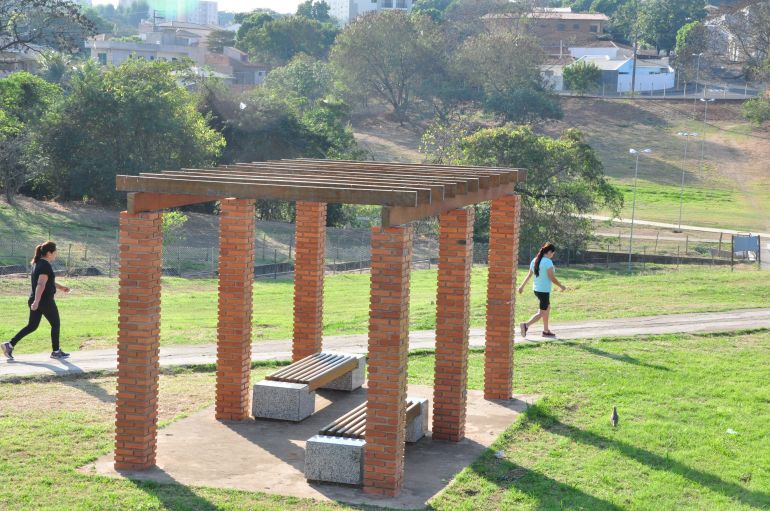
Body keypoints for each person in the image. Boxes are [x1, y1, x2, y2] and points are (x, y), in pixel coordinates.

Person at [3, 241, 71, 360]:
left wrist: (61, 288)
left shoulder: (38, 263)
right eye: (55, 252)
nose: (56, 254)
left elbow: (47, 281)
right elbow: (40, 284)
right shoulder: (45, 265)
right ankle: (56, 351)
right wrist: (36, 301)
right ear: (49, 253)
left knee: (32, 326)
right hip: (44, 301)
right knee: (55, 324)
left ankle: (9, 345)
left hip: (38, 300)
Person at [517, 242, 566, 338]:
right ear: (549, 252)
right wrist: (561, 286)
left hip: (537, 290)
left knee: (547, 308)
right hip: (543, 291)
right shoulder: (547, 262)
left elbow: (529, 275)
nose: (552, 256)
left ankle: (546, 330)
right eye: (552, 253)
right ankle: (525, 325)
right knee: (542, 312)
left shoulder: (535, 260)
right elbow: (552, 278)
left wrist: (521, 287)